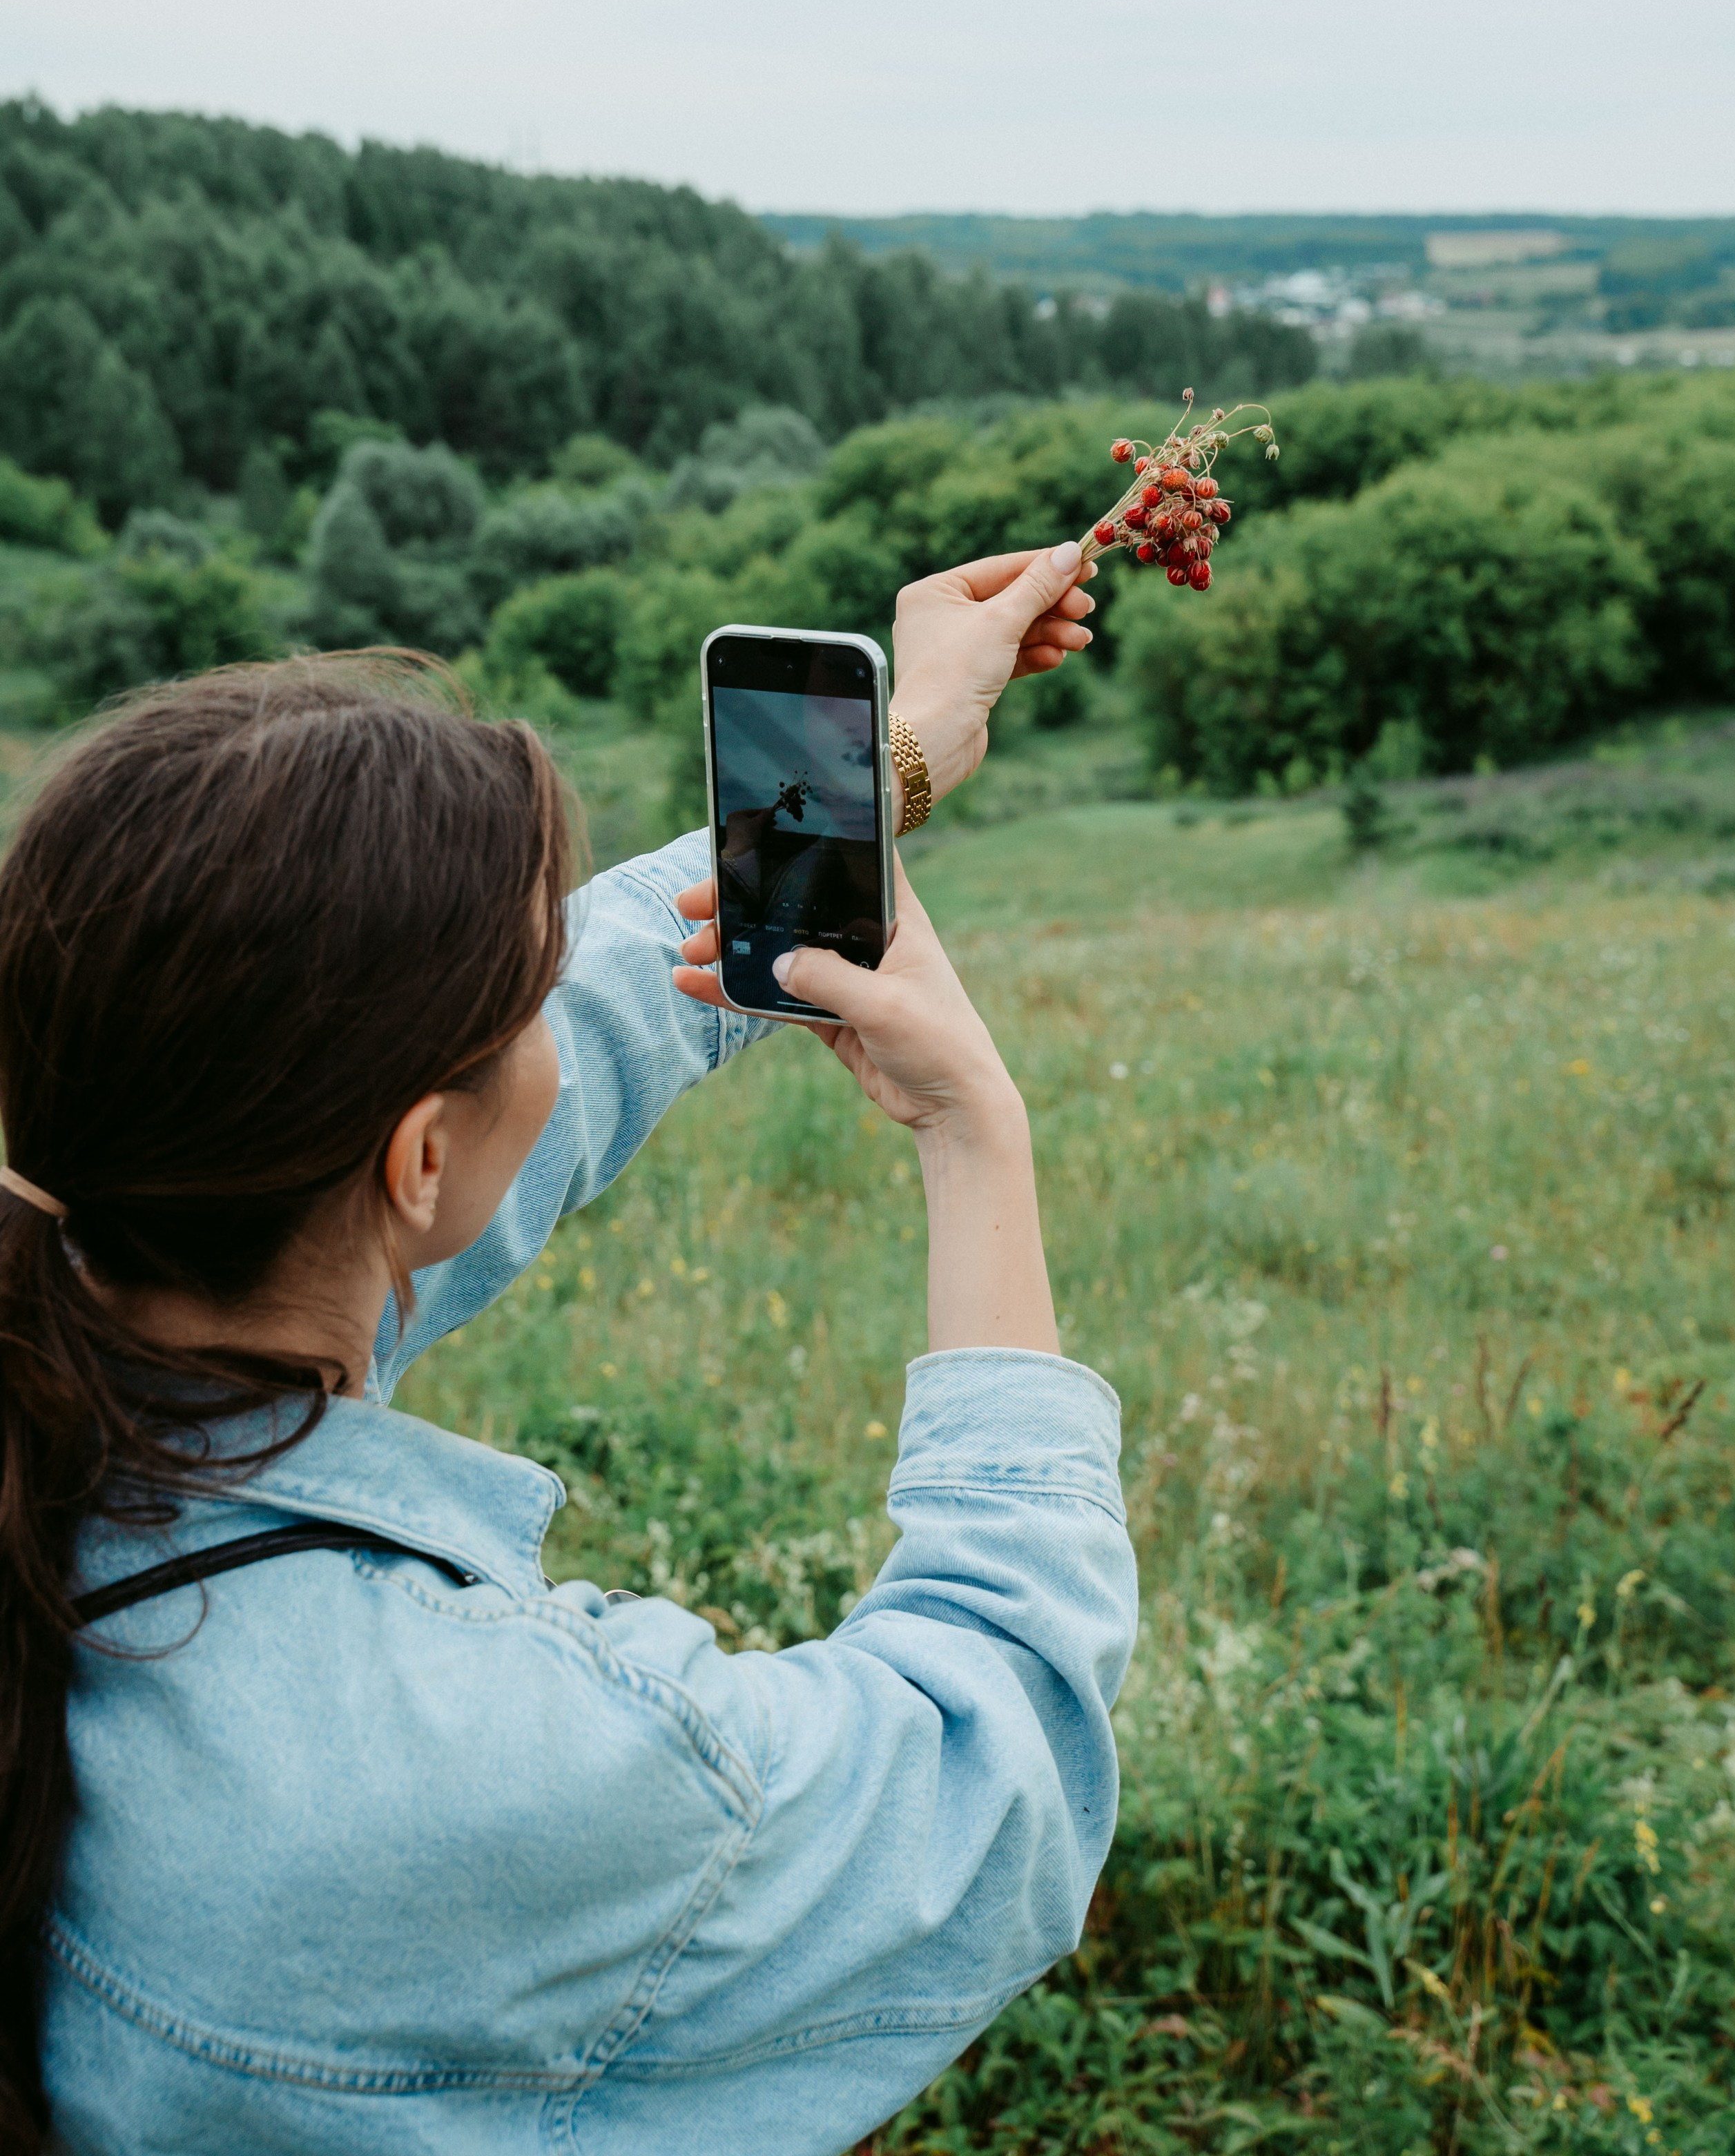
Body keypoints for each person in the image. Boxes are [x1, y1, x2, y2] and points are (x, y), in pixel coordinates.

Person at [0, 544, 1137, 2156]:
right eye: (520, 986)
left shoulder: (104, 1264)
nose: (561, 996)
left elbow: (584, 1018)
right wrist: (975, 1139)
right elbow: (991, 1765)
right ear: (415, 1166)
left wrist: (873, 768)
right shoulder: (485, 1772)